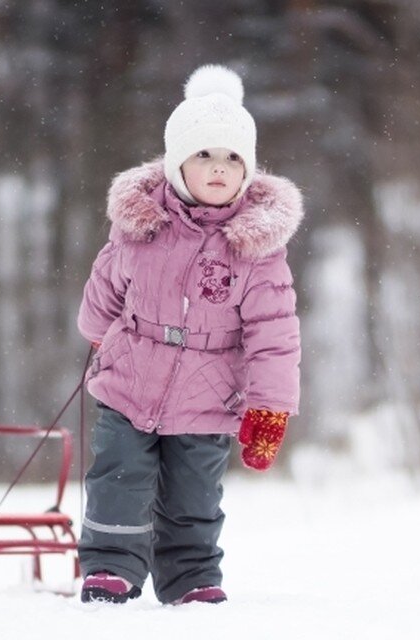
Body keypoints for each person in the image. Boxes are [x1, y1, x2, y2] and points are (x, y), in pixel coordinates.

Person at [75, 64, 303, 605]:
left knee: (193, 495)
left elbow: (275, 334)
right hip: (129, 382)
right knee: (118, 478)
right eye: (204, 155)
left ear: (248, 169)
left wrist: (269, 407)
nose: (219, 169)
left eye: (232, 158)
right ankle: (110, 568)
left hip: (208, 391)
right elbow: (103, 289)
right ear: (177, 163)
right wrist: (97, 337)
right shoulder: (141, 227)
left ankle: (191, 578)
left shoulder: (257, 250)